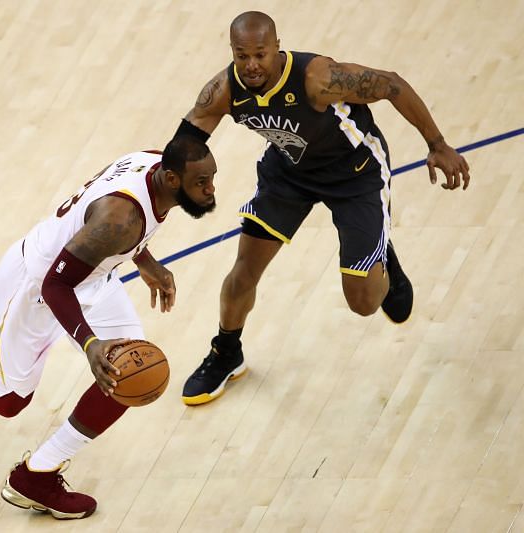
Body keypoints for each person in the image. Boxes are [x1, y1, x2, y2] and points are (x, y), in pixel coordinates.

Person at [0, 136, 216, 519]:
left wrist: (144, 259)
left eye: (211, 179)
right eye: (201, 183)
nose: (210, 190)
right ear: (171, 179)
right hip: (37, 287)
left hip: (89, 277)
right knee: (8, 399)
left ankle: (36, 475)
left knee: (126, 373)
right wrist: (89, 344)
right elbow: (56, 284)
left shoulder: (152, 162)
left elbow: (102, 231)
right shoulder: (120, 220)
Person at [177, 11, 471, 406]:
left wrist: (437, 144)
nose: (251, 65)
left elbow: (392, 85)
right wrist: (163, 191)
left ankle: (381, 251)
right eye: (241, 54)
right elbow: (185, 145)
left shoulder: (318, 79)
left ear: (277, 48)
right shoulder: (225, 89)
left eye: (260, 54)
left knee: (364, 302)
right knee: (242, 272)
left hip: (355, 174)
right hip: (289, 173)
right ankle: (226, 352)